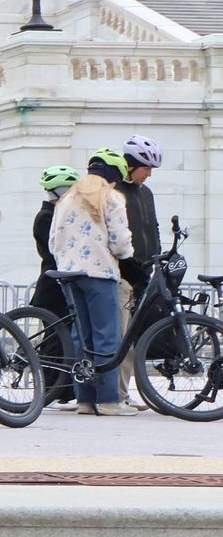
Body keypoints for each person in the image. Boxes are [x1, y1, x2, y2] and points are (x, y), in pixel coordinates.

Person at [50, 148, 136, 416]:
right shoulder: (111, 197)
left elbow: (55, 240)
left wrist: (67, 262)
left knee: (81, 337)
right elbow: (120, 242)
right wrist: (128, 258)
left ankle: (85, 400)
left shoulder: (66, 199)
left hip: (68, 274)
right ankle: (109, 401)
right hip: (100, 274)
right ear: (113, 176)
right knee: (106, 337)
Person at [113, 133, 164, 406]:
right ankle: (116, 395)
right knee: (122, 338)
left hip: (144, 274)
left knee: (133, 337)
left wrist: (158, 257)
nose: (149, 175)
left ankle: (122, 393)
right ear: (131, 165)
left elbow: (152, 227)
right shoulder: (115, 192)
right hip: (123, 274)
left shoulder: (146, 193)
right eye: (146, 169)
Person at [31, 166, 79, 408]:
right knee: (54, 341)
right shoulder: (46, 216)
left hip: (61, 286)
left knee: (64, 339)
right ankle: (49, 388)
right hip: (51, 288)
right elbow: (55, 250)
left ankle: (64, 389)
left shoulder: (58, 213)